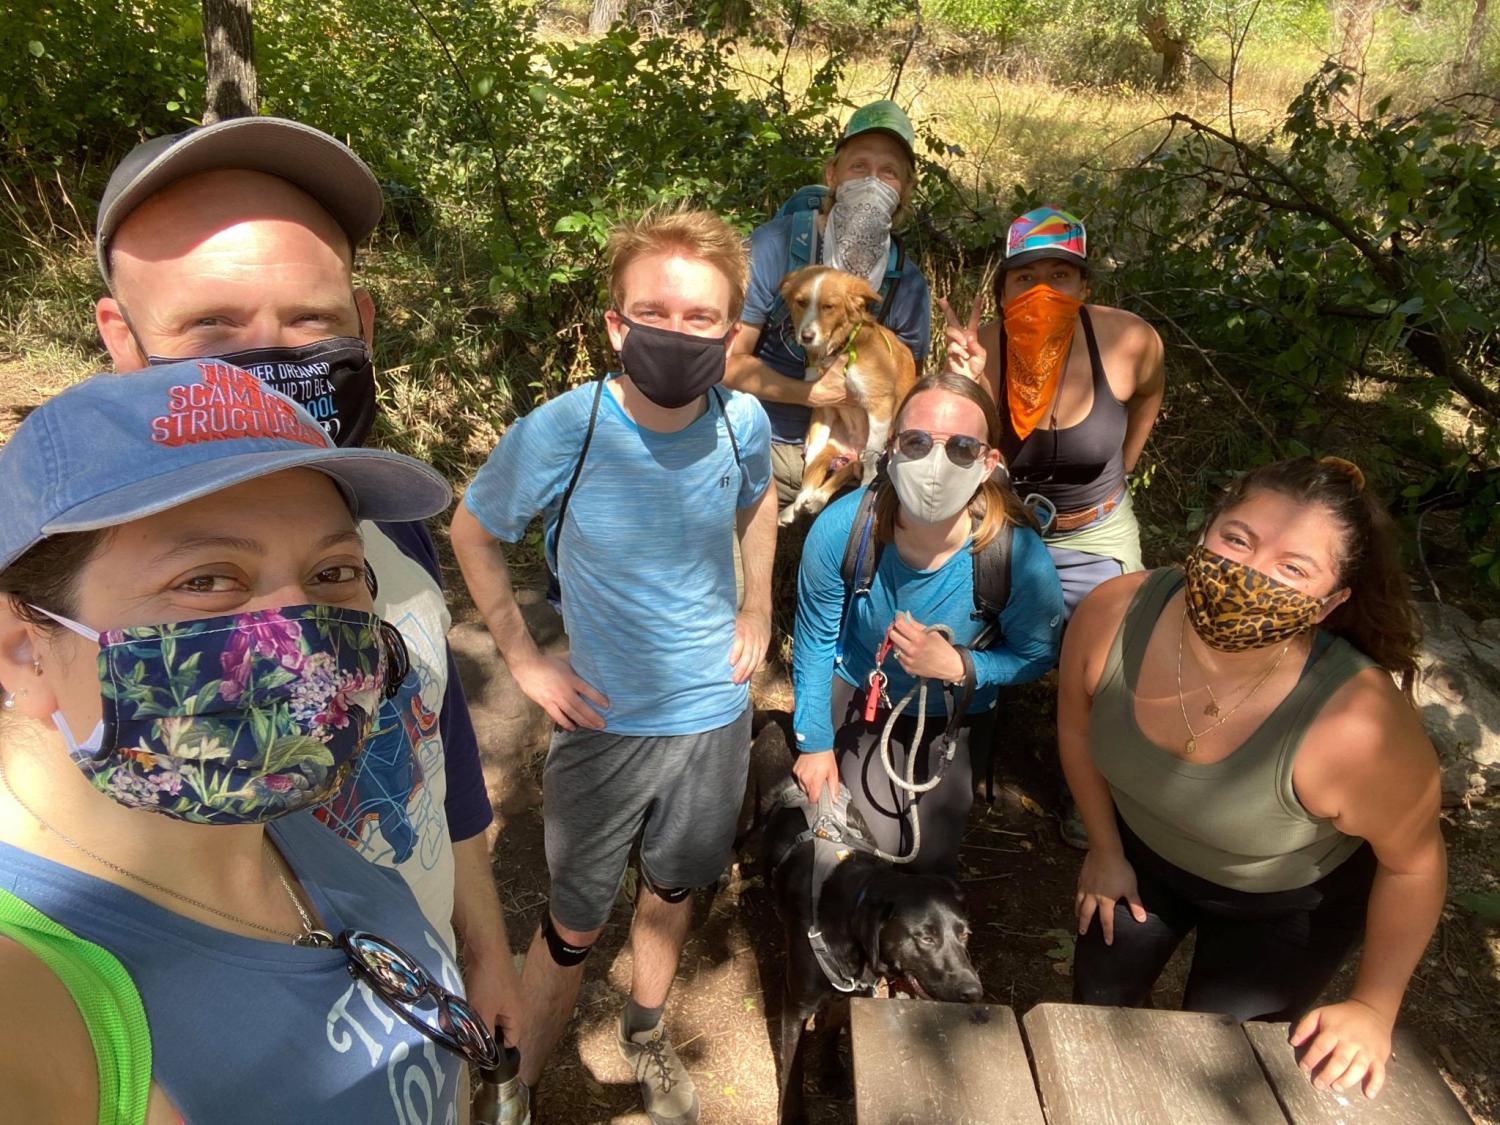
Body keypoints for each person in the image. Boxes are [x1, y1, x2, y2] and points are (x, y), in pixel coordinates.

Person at [90, 117, 521, 1041]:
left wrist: (481, 943)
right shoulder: (80, 586)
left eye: (311, 322)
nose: (272, 361)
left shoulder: (386, 507)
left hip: (424, 985)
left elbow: (435, 736)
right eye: (212, 325)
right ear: (121, 341)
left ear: (361, 327)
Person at [0, 360, 487, 1122]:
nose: (302, 635)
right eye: (206, 579)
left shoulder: (274, 816)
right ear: (24, 651)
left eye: (333, 571)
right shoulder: (31, 999)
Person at [451, 207, 775, 1123]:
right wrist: (523, 658)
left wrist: (757, 604)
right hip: (605, 726)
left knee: (671, 894)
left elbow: (759, 503)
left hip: (713, 722)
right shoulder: (567, 429)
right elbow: (473, 530)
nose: (677, 331)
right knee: (573, 925)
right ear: (615, 324)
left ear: (730, 329)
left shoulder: (742, 420)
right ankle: (517, 1085)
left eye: (701, 316)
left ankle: (642, 1034)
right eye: (654, 310)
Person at [1058, 456, 1445, 1100]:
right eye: (1237, 539)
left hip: (1285, 904)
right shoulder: (1113, 612)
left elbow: (1415, 865)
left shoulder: (1357, 727)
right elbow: (1076, 725)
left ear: (1330, 603)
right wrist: (1103, 847)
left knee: (1218, 1073)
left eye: (1293, 568)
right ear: (1204, 531)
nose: (1247, 572)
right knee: (1093, 1016)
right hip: (1140, 858)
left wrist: (1375, 1007)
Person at [791, 372, 1064, 873]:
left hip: (957, 713)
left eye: (961, 448)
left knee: (928, 860)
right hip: (861, 697)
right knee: (862, 845)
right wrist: (814, 743)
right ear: (890, 450)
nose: (935, 464)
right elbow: (814, 638)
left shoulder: (1016, 552)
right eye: (916, 442)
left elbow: (1036, 654)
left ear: (988, 464)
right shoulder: (843, 528)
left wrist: (961, 665)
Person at [943, 206, 1164, 615]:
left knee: (1114, 654)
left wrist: (1125, 465)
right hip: (1004, 529)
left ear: (1084, 287)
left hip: (1097, 534)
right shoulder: (981, 349)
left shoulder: (1129, 340)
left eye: (1060, 276)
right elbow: (958, 452)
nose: (1042, 291)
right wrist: (967, 382)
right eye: (1025, 279)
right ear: (1003, 294)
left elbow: (1149, 393)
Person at [727, 100, 933, 512]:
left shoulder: (904, 282)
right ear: (832, 175)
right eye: (859, 167)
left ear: (904, 191)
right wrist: (811, 394)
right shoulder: (775, 246)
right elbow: (727, 361)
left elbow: (907, 384)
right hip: (763, 439)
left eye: (888, 172)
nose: (873, 181)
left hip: (858, 453)